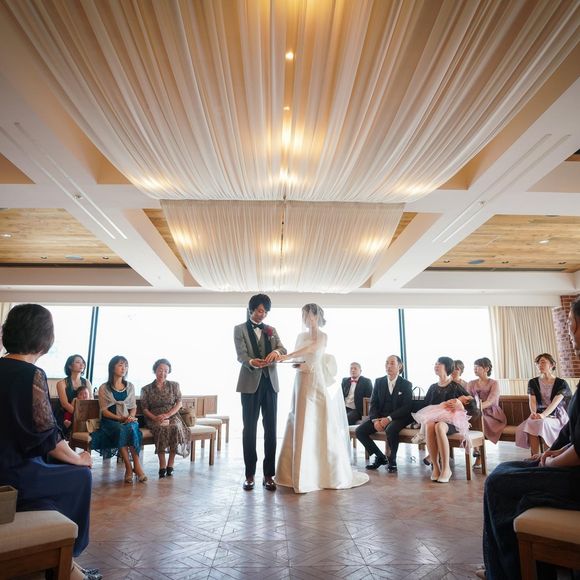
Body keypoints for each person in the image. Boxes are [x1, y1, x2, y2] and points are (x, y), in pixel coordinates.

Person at [480, 297, 580, 580]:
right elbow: (572, 434)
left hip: (575, 476)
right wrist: (549, 453)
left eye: (571, 324)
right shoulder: (536, 382)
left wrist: (552, 462)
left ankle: (507, 573)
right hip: (567, 458)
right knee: (507, 469)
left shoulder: (562, 383)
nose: (569, 333)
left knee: (498, 481)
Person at [0, 304, 99, 580]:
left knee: (53, 473)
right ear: (44, 338)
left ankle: (63, 561)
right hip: (10, 473)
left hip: (7, 462)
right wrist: (80, 458)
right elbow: (47, 435)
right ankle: (67, 560)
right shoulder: (31, 374)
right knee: (80, 476)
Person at [276, 304, 369, 493]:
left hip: (316, 380)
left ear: (316, 316)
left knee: (319, 420)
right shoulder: (300, 336)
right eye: (304, 315)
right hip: (301, 380)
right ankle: (295, 473)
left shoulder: (323, 336)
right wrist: (295, 363)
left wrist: (288, 356)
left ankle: (325, 474)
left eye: (308, 315)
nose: (306, 318)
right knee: (299, 418)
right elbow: (298, 359)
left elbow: (313, 348)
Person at [234, 294, 286, 491]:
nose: (262, 314)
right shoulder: (239, 329)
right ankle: (249, 475)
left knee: (271, 430)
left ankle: (268, 475)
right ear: (251, 309)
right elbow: (241, 355)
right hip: (249, 384)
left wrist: (276, 352)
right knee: (249, 430)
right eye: (259, 311)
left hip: (270, 384)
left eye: (265, 311)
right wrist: (252, 362)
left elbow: (282, 348)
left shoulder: (271, 330)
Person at [90, 355, 147, 483]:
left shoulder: (130, 386)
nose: (124, 368)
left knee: (131, 428)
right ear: (112, 367)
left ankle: (137, 466)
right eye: (120, 365)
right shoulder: (104, 387)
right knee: (121, 429)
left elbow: (133, 407)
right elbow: (104, 411)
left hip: (128, 420)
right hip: (110, 422)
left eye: (126, 366)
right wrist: (120, 418)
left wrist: (131, 417)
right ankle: (128, 467)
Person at [421, 356, 478, 483]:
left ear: (447, 367)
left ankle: (446, 468)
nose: (436, 366)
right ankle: (436, 467)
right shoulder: (432, 387)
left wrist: (460, 404)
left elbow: (473, 406)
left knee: (439, 426)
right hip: (434, 420)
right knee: (430, 424)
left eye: (439, 364)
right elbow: (425, 406)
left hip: (452, 422)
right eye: (435, 363)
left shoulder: (455, 386)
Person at [356, 355, 413, 473]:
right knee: (360, 431)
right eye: (387, 363)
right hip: (380, 417)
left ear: (399, 366)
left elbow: (407, 407)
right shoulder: (379, 381)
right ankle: (380, 457)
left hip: (398, 417)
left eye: (392, 363)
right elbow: (373, 403)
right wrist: (375, 420)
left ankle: (392, 460)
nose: (388, 366)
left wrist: (389, 418)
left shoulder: (406, 384)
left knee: (391, 429)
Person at [141, 358, 191, 478]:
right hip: (154, 417)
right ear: (155, 370)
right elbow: (145, 409)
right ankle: (162, 464)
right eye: (160, 370)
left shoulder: (174, 385)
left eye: (166, 371)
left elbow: (179, 403)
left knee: (175, 427)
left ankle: (171, 464)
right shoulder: (146, 389)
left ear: (168, 372)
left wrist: (168, 415)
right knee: (161, 429)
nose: (162, 373)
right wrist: (155, 418)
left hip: (172, 415)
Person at [515, 353, 571, 455]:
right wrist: (533, 413)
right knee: (531, 422)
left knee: (543, 423)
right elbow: (532, 401)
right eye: (538, 363)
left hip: (557, 415)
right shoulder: (533, 382)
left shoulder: (561, 383)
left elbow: (555, 403)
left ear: (552, 365)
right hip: (539, 414)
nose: (539, 365)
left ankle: (547, 455)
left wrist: (543, 415)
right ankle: (535, 456)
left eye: (543, 362)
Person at [466, 357, 506, 468]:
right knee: (468, 418)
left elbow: (490, 401)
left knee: (478, 418)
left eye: (477, 367)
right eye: (474, 367)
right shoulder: (471, 383)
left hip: (492, 413)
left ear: (486, 369)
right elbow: (468, 400)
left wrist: (476, 409)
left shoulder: (494, 383)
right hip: (475, 412)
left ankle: (478, 453)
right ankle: (477, 450)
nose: (475, 369)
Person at [55, 354, 93, 436]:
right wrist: (78, 415)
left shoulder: (87, 382)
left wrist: (83, 416)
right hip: (65, 415)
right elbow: (65, 404)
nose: (82, 364)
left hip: (83, 415)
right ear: (70, 366)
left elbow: (91, 401)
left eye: (83, 362)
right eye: (78, 362)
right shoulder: (61, 383)